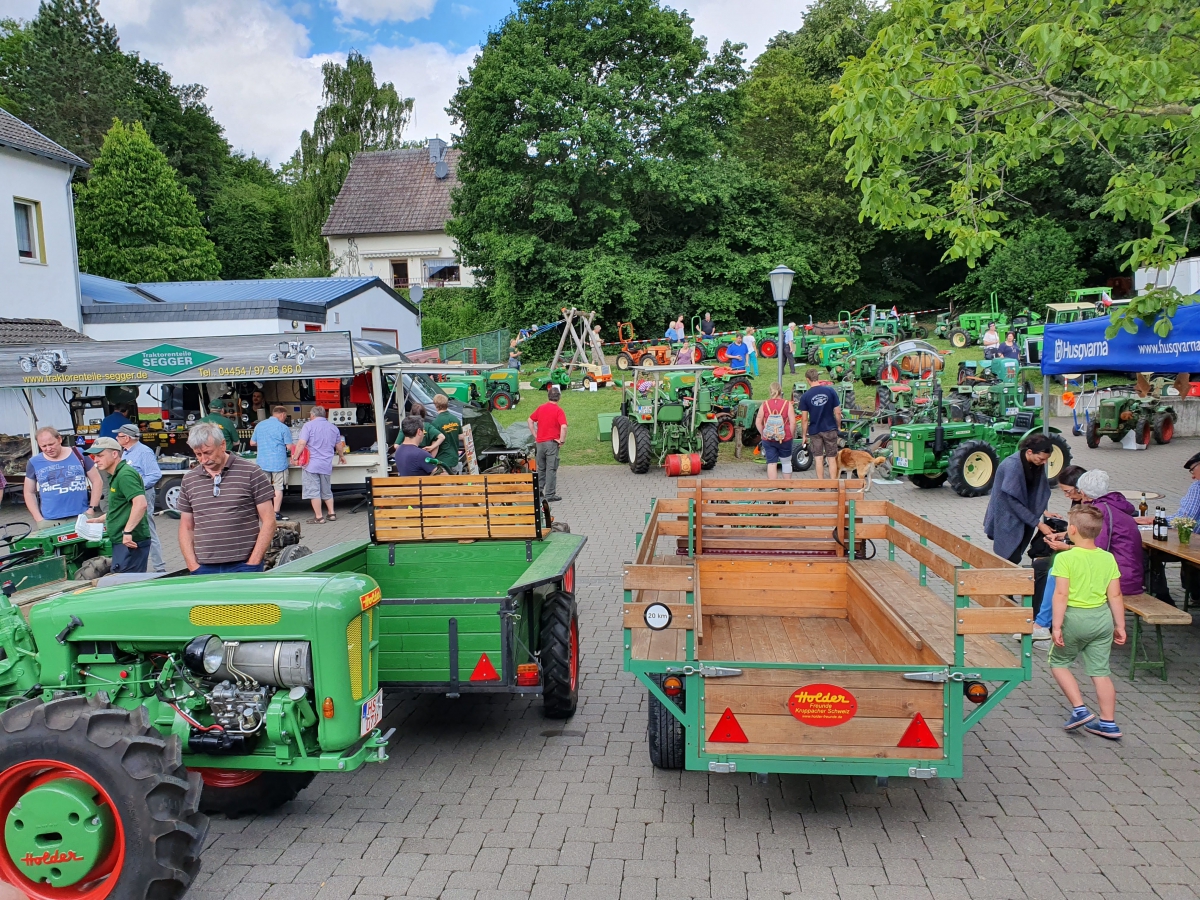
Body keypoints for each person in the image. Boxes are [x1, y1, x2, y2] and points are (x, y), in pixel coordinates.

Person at [1048, 505, 1127, 739]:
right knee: (1101, 671)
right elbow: (1115, 595)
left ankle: (1079, 709)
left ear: (1072, 530)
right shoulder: (1108, 558)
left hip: (1074, 618)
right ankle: (1108, 722)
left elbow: (1061, 594)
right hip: (1101, 618)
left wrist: (1057, 626)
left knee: (1059, 663)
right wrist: (1119, 625)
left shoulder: (1065, 558)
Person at [177, 421, 276, 575]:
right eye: (198, 454)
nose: (203, 460)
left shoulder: (251, 472)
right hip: (204, 568)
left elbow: (269, 520)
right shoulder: (190, 480)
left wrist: (253, 562)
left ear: (222, 445)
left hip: (244, 565)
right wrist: (192, 565)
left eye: (208, 452)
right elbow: (186, 527)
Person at [1031, 464, 1088, 637]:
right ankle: (1039, 621)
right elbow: (1077, 531)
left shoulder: (1092, 509)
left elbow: (1093, 545)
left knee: (1049, 570)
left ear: (1081, 488)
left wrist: (1066, 546)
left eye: (1068, 491)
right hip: (1078, 552)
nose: (1066, 495)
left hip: (1085, 557)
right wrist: (1061, 535)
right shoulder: (1079, 502)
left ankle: (1041, 623)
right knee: (1042, 565)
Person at [1138, 450, 1200, 605]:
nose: (1192, 476)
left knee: (1150, 550)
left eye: (1193, 470)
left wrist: (1157, 520)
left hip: (1194, 543)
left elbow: (1185, 519)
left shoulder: (1197, 487)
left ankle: (1162, 595)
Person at [983, 432, 1055, 563]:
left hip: (1021, 515)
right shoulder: (1013, 466)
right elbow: (1012, 500)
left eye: (1046, 459)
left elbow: (1035, 491)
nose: (1044, 462)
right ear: (1029, 452)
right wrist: (1039, 524)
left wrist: (1042, 509)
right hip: (1006, 516)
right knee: (1010, 556)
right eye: (1041, 459)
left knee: (1015, 555)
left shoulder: (1036, 464)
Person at [84, 437, 150, 574]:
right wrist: (101, 519)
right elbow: (123, 507)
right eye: (94, 456)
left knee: (128, 585)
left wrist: (127, 532)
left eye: (100, 455)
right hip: (124, 540)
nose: (95, 460)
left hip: (130, 541)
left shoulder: (124, 475)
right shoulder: (116, 474)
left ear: (115, 454)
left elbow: (141, 503)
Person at [23, 426, 104, 529]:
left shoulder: (79, 453)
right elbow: (28, 492)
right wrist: (38, 519)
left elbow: (97, 480)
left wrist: (92, 508)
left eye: (51, 444)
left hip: (81, 516)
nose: (48, 449)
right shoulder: (34, 462)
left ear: (59, 439)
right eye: (43, 446)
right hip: (50, 520)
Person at [115, 423, 165, 573]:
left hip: (143, 494)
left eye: (119, 435)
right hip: (130, 496)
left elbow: (155, 474)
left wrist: (137, 487)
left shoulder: (144, 452)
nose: (116, 437)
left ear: (127, 438)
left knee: (148, 529)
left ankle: (159, 567)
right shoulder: (126, 452)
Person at [291, 406, 346, 524]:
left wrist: (295, 457)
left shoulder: (308, 426)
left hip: (311, 464)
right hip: (326, 464)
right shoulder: (333, 428)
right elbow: (339, 445)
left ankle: (319, 517)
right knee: (326, 490)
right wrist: (341, 456)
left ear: (312, 415)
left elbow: (301, 443)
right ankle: (331, 513)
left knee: (313, 491)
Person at [250, 405, 294, 521]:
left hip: (262, 461)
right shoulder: (283, 427)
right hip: (278, 462)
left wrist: (264, 444)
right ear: (282, 415)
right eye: (285, 416)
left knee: (263, 488)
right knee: (278, 488)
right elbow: (289, 447)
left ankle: (264, 513)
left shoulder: (260, 425)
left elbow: (252, 443)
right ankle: (276, 513)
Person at [798, 368, 841, 479]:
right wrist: (839, 426)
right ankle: (833, 484)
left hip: (815, 430)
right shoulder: (830, 391)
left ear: (808, 379)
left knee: (818, 458)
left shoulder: (805, 396)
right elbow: (838, 412)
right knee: (831, 458)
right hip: (830, 428)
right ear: (818, 377)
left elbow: (804, 419)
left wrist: (804, 435)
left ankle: (821, 485)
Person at [528, 385, 567, 502]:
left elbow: (530, 420)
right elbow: (564, 427)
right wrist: (562, 440)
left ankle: (539, 491)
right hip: (551, 444)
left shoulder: (541, 408)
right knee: (551, 468)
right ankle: (549, 494)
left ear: (548, 396)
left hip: (540, 443)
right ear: (559, 397)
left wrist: (535, 434)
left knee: (541, 468)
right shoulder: (558, 411)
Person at [755, 383, 794, 481]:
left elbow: (758, 421)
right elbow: (793, 422)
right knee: (786, 462)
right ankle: (787, 488)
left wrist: (763, 433)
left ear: (770, 391)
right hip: (784, 438)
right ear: (781, 391)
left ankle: (774, 488)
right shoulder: (787, 404)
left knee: (771, 463)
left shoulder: (765, 404)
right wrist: (790, 434)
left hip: (768, 438)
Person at [430, 394, 463, 474]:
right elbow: (461, 436)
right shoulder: (455, 419)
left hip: (443, 461)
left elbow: (436, 444)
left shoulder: (436, 423)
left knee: (445, 485)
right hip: (455, 459)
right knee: (454, 484)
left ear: (436, 405)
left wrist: (430, 460)